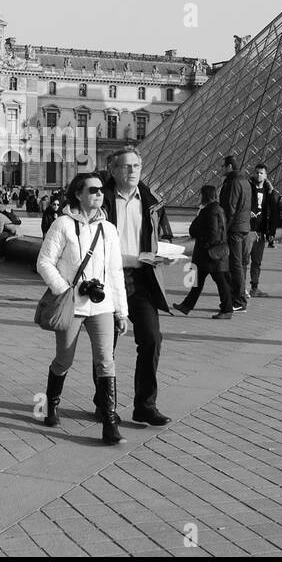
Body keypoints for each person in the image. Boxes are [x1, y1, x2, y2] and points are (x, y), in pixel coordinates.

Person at [36, 172, 129, 444]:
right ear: (78, 193)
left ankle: (109, 422)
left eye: (101, 190)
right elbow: (44, 262)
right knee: (64, 360)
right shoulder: (63, 224)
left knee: (106, 361)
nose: (99, 194)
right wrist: (64, 289)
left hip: (101, 306)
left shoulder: (108, 229)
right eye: (93, 190)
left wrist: (121, 311)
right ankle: (50, 403)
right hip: (71, 304)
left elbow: (115, 272)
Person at [100, 146, 174, 426]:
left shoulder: (152, 201)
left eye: (137, 166)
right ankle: (103, 402)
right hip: (108, 279)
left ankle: (145, 405)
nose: (133, 171)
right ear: (113, 169)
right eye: (127, 166)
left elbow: (163, 236)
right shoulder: (101, 199)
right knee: (107, 346)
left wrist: (164, 255)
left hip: (141, 277)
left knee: (152, 339)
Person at [172, 184, 232, 318]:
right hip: (216, 253)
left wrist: (202, 238)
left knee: (220, 282)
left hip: (209, 254)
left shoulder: (208, 210)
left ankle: (227, 309)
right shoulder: (219, 209)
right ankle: (186, 306)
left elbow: (202, 231)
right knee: (199, 281)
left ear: (205, 196)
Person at [220, 155, 253, 314]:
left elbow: (230, 208)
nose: (221, 169)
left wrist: (224, 228)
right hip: (244, 226)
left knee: (235, 265)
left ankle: (239, 300)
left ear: (229, 167)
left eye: (223, 166)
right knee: (238, 264)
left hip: (234, 228)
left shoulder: (233, 182)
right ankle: (237, 298)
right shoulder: (245, 181)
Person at [248, 164, 278, 297]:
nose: (258, 175)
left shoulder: (268, 191)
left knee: (257, 262)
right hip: (248, 230)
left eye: (261, 173)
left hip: (260, 231)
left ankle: (254, 288)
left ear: (266, 176)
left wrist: (271, 232)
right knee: (243, 261)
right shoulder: (248, 188)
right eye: (257, 173)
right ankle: (240, 289)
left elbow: (275, 209)